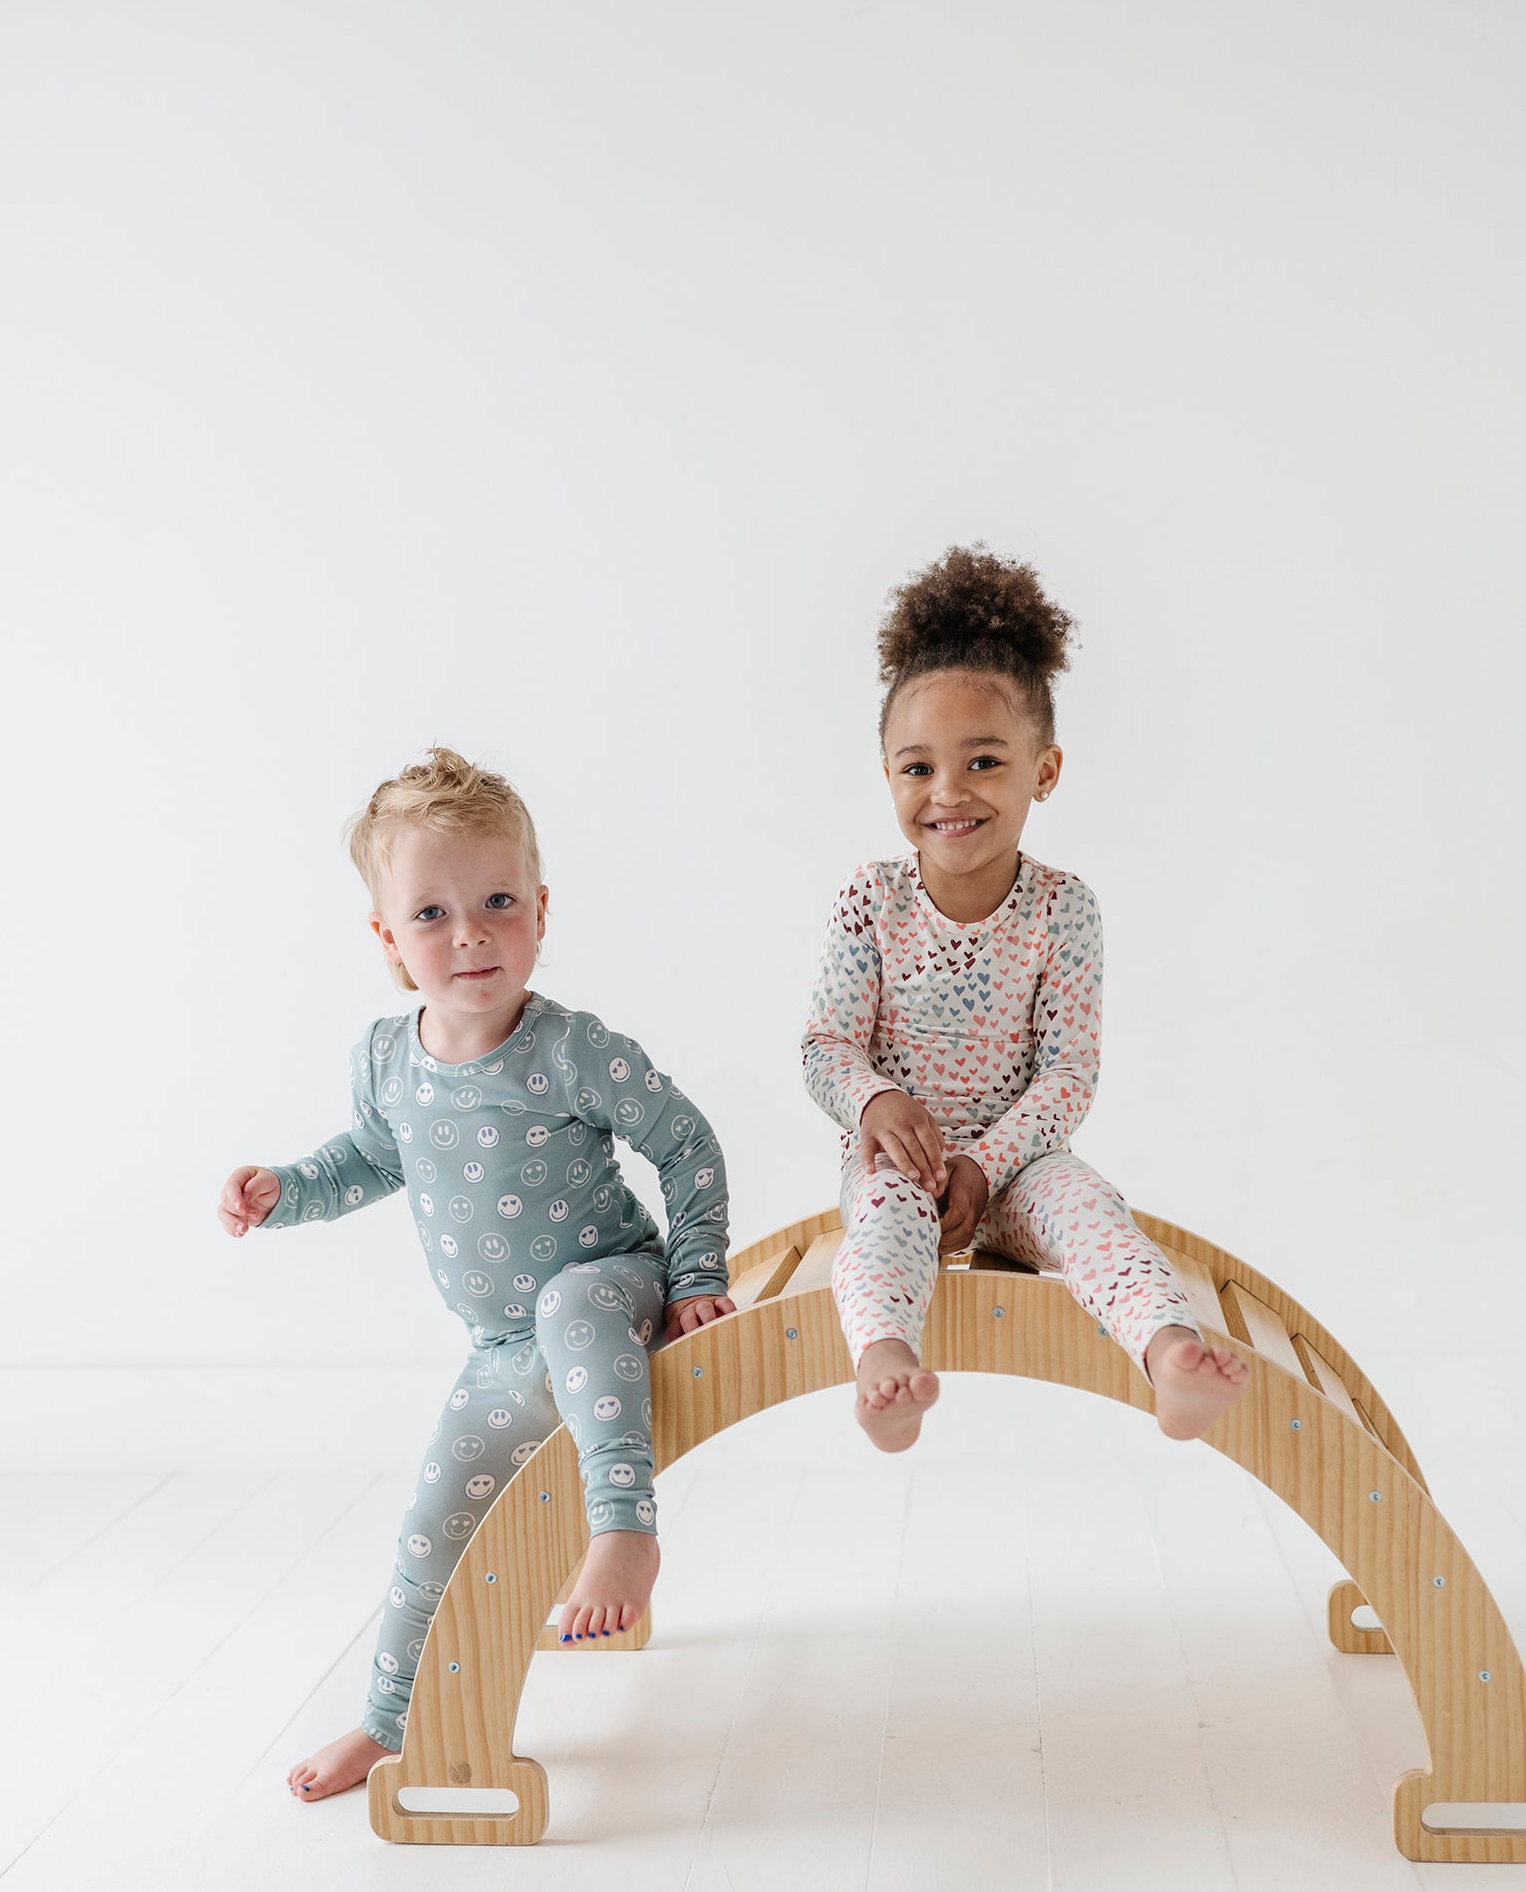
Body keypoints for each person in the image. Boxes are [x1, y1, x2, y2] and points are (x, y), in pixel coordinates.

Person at [219, 748, 733, 1799]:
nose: (471, 933)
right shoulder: (385, 1059)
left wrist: (692, 1273)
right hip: (503, 1348)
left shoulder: (572, 1049)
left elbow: (686, 1144)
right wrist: (283, 1189)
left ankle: (624, 1531)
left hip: (611, 1286)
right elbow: (368, 1159)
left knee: (571, 1299)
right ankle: (385, 1721)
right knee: (430, 1529)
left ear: (541, 908)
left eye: (499, 901)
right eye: (432, 913)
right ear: (386, 937)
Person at [802, 544, 1248, 1453]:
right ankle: (885, 1362)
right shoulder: (871, 898)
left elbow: (1069, 1074)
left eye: (983, 761)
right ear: (886, 773)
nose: (948, 792)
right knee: (884, 1221)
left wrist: (987, 1164)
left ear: (1044, 770)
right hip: (902, 1163)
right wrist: (877, 1102)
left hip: (1022, 1166)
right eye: (917, 768)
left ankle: (1169, 1355)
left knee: (1093, 1210)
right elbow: (824, 1045)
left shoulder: (1063, 910)